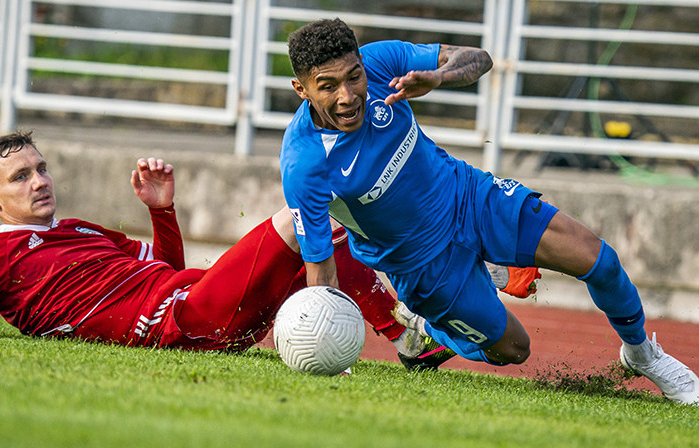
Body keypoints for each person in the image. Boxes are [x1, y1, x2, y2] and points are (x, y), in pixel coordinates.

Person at [279, 18, 698, 404]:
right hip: (422, 265)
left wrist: (439, 77)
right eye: (327, 86)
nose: (348, 96)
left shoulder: (382, 60)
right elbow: (321, 268)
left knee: (599, 259)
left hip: (469, 197)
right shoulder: (305, 163)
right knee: (515, 349)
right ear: (302, 89)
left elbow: (479, 59)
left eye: (354, 77)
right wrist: (332, 351)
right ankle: (422, 325)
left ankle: (643, 354)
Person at [0, 131, 467, 370]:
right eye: (21, 177)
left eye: (41, 168)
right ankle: (408, 328)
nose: (39, 181)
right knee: (302, 219)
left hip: (198, 304)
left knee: (323, 230)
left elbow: (165, 265)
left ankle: (413, 315)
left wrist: (162, 209)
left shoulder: (83, 230)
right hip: (177, 322)